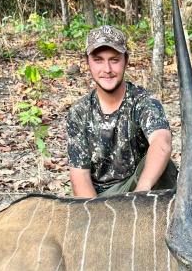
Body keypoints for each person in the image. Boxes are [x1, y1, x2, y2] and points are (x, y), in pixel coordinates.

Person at [66, 25, 177, 198]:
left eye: (114, 59)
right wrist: (97, 217)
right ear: (87, 62)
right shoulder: (79, 112)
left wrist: (140, 194)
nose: (107, 69)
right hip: (102, 200)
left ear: (126, 60)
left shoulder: (143, 101)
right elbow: (79, 177)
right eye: (98, 60)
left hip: (140, 192)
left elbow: (162, 142)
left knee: (165, 166)